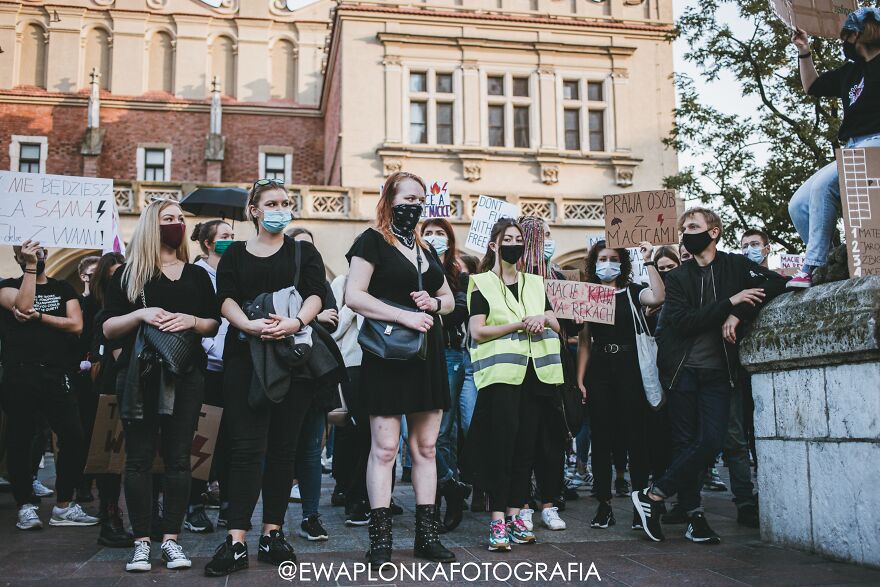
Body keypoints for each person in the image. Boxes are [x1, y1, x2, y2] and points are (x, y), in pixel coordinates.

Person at [632, 207, 787, 546]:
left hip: (719, 372)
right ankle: (694, 515)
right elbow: (684, 322)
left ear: (713, 232)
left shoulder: (734, 265)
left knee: (713, 440)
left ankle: (654, 494)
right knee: (685, 443)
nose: (687, 232)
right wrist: (730, 302)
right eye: (684, 228)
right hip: (682, 371)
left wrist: (738, 312)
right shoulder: (678, 277)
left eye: (693, 226)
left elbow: (777, 283)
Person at [204, 179, 332, 577]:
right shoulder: (235, 254)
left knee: (283, 450)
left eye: (286, 202)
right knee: (244, 449)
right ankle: (236, 539)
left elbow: (316, 294)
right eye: (272, 202)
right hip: (246, 359)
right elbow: (224, 297)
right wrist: (249, 325)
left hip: (292, 359)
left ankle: (273, 533)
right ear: (254, 210)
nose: (281, 208)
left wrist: (295, 321)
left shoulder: (302, 251)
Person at [102, 200, 220, 572]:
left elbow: (214, 323)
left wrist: (191, 321)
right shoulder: (129, 274)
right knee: (137, 459)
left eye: (180, 219)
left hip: (186, 376)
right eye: (168, 219)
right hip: (141, 377)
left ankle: (170, 539)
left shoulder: (197, 276)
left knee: (179, 459)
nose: (177, 225)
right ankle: (141, 541)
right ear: (153, 226)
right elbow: (106, 329)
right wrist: (139, 314)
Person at [345, 171, 456, 566]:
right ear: (389, 199)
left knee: (426, 447)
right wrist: (404, 316)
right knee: (386, 447)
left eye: (419, 199)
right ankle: (380, 541)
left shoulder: (425, 249)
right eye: (407, 198)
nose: (414, 205)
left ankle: (426, 537)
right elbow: (353, 295)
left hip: (428, 355)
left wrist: (434, 304)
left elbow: (449, 299)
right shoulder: (371, 241)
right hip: (389, 355)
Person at [463, 218, 564, 552]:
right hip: (502, 378)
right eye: (507, 238)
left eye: (518, 239)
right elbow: (477, 331)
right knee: (501, 449)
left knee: (526, 447)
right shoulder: (480, 283)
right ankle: (496, 523)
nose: (514, 244)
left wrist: (544, 319)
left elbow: (555, 322)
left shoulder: (536, 283)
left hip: (538, 376)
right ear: (494, 245)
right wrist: (520, 324)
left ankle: (517, 515)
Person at [0, 242, 98, 531]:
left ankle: (64, 505)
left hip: (56, 374)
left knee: (74, 437)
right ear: (17, 257)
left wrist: (40, 318)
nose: (38, 255)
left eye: (41, 251)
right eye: (29, 252)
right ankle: (25, 505)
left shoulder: (62, 289)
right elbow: (23, 304)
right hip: (20, 374)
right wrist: (30, 268)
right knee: (20, 438)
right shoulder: (7, 286)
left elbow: (76, 325)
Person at [576, 239, 665, 532]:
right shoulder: (590, 296)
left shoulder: (633, 291)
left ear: (623, 263)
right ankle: (604, 504)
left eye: (613, 258)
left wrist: (649, 260)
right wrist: (580, 378)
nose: (607, 263)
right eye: (602, 258)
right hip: (600, 370)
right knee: (601, 439)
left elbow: (658, 298)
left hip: (631, 370)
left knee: (635, 438)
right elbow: (586, 340)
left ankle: (641, 505)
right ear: (594, 262)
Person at [788, 8, 880, 288]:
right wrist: (804, 51)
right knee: (799, 204)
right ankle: (830, 260)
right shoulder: (850, 72)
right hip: (852, 147)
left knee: (823, 187)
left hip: (877, 141)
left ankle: (813, 264)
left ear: (861, 33)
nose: (844, 42)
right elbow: (812, 86)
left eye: (847, 35)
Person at [515, 216, 570, 533]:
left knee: (551, 440)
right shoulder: (509, 277)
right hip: (518, 368)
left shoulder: (559, 278)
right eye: (538, 235)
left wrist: (549, 317)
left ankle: (549, 503)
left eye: (548, 234)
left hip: (550, 370)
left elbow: (569, 328)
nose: (544, 241)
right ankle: (521, 504)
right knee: (522, 439)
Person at [283, 225, 337, 542]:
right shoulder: (278, 279)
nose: (306, 253)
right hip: (285, 372)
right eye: (299, 246)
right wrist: (314, 319)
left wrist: (314, 319)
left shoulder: (323, 285)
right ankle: (272, 522)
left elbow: (334, 319)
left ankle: (311, 515)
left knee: (310, 449)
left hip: (316, 373)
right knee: (280, 448)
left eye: (311, 247)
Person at [420, 217, 472, 533]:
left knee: (444, 430)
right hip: (415, 354)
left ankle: (442, 501)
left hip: (449, 354)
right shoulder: (411, 267)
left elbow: (460, 311)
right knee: (414, 432)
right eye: (428, 233)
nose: (434, 237)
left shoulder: (459, 276)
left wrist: (434, 305)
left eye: (441, 233)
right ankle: (450, 486)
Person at [184, 220, 235, 534]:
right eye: (225, 237)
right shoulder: (196, 275)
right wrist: (212, 347)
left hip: (232, 369)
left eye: (233, 236)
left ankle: (229, 505)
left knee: (231, 439)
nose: (232, 241)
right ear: (207, 243)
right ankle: (194, 504)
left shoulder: (232, 272)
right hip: (206, 367)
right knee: (201, 440)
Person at [87, 252, 132, 547]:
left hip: (130, 382)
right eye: (113, 276)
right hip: (103, 388)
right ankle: (109, 515)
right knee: (108, 456)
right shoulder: (94, 309)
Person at [74, 255, 100, 504]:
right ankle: (82, 484)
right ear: (84, 276)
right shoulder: (78, 303)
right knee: (84, 430)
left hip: (102, 373)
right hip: (82, 376)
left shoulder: (105, 303)